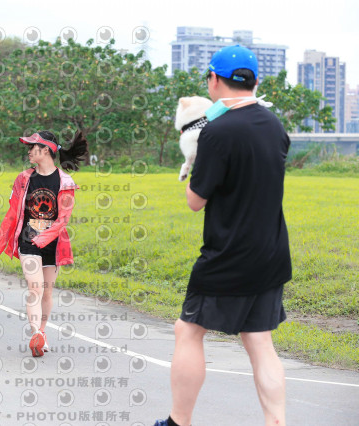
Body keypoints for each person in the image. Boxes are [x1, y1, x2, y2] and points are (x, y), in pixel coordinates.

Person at [154, 45, 292, 426]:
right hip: (271, 252)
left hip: (227, 254)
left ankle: (178, 421)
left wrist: (194, 163)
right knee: (260, 340)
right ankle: (276, 422)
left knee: (187, 331)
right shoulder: (274, 126)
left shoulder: (216, 132)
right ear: (255, 81)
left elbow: (195, 201)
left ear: (214, 79)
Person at [0, 130, 88, 357]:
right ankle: (35, 333)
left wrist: (45, 237)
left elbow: (63, 219)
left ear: (46, 150)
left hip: (53, 243)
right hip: (28, 240)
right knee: (35, 288)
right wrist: (1, 240)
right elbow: (13, 212)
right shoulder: (23, 178)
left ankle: (42, 332)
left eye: (32, 147)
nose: (28, 151)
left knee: (47, 292)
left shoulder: (65, 182)